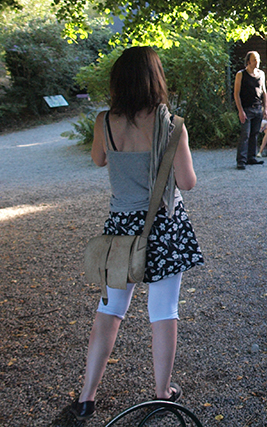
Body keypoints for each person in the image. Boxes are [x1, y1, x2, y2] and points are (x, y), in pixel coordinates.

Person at [72, 47, 203, 420]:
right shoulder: (172, 125)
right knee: (163, 310)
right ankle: (162, 391)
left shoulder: (103, 122)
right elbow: (187, 183)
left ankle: (86, 396)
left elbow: (99, 159)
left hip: (119, 230)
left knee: (110, 309)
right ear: (155, 79)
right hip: (163, 226)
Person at [234, 51, 267, 170]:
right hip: (246, 109)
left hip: (258, 108)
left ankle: (251, 157)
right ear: (248, 61)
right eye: (254, 59)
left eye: (258, 59)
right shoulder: (241, 74)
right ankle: (241, 160)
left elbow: (264, 92)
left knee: (255, 134)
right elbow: (236, 93)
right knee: (245, 134)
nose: (257, 62)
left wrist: (265, 108)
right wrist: (240, 110)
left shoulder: (261, 74)